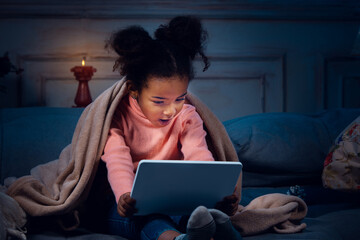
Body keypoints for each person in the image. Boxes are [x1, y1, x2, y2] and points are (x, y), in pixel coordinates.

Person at [102, 16, 241, 240]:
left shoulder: (186, 115)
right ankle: (176, 239)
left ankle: (217, 230)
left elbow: (199, 155)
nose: (171, 110)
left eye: (180, 98)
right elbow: (117, 159)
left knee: (196, 213)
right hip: (126, 207)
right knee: (148, 219)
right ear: (133, 90)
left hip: (174, 202)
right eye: (159, 101)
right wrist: (125, 195)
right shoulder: (118, 117)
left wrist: (215, 192)